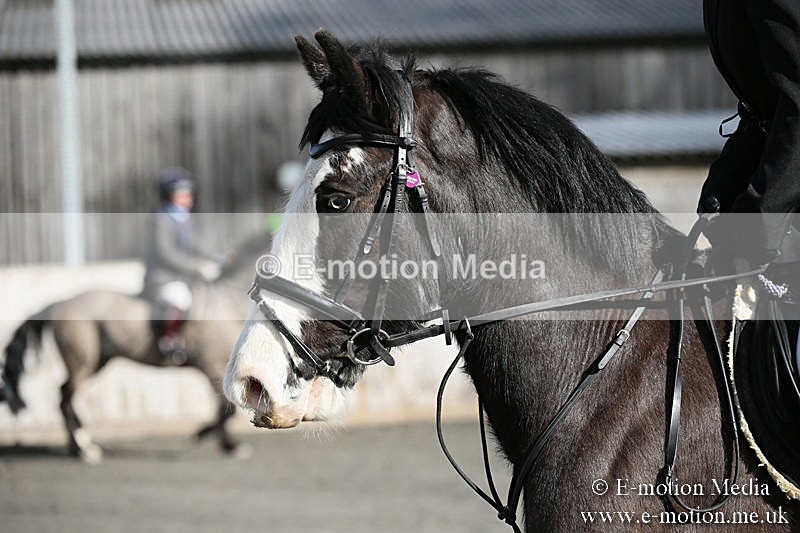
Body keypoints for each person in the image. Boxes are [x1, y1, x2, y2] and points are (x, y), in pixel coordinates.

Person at [143, 167, 222, 363]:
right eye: (183, 192)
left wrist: (216, 258)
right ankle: (169, 340)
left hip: (185, 277)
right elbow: (166, 254)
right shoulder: (160, 219)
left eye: (189, 192)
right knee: (180, 298)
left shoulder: (186, 217)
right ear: (170, 195)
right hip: (164, 278)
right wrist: (196, 266)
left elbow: (197, 247)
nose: (188, 196)